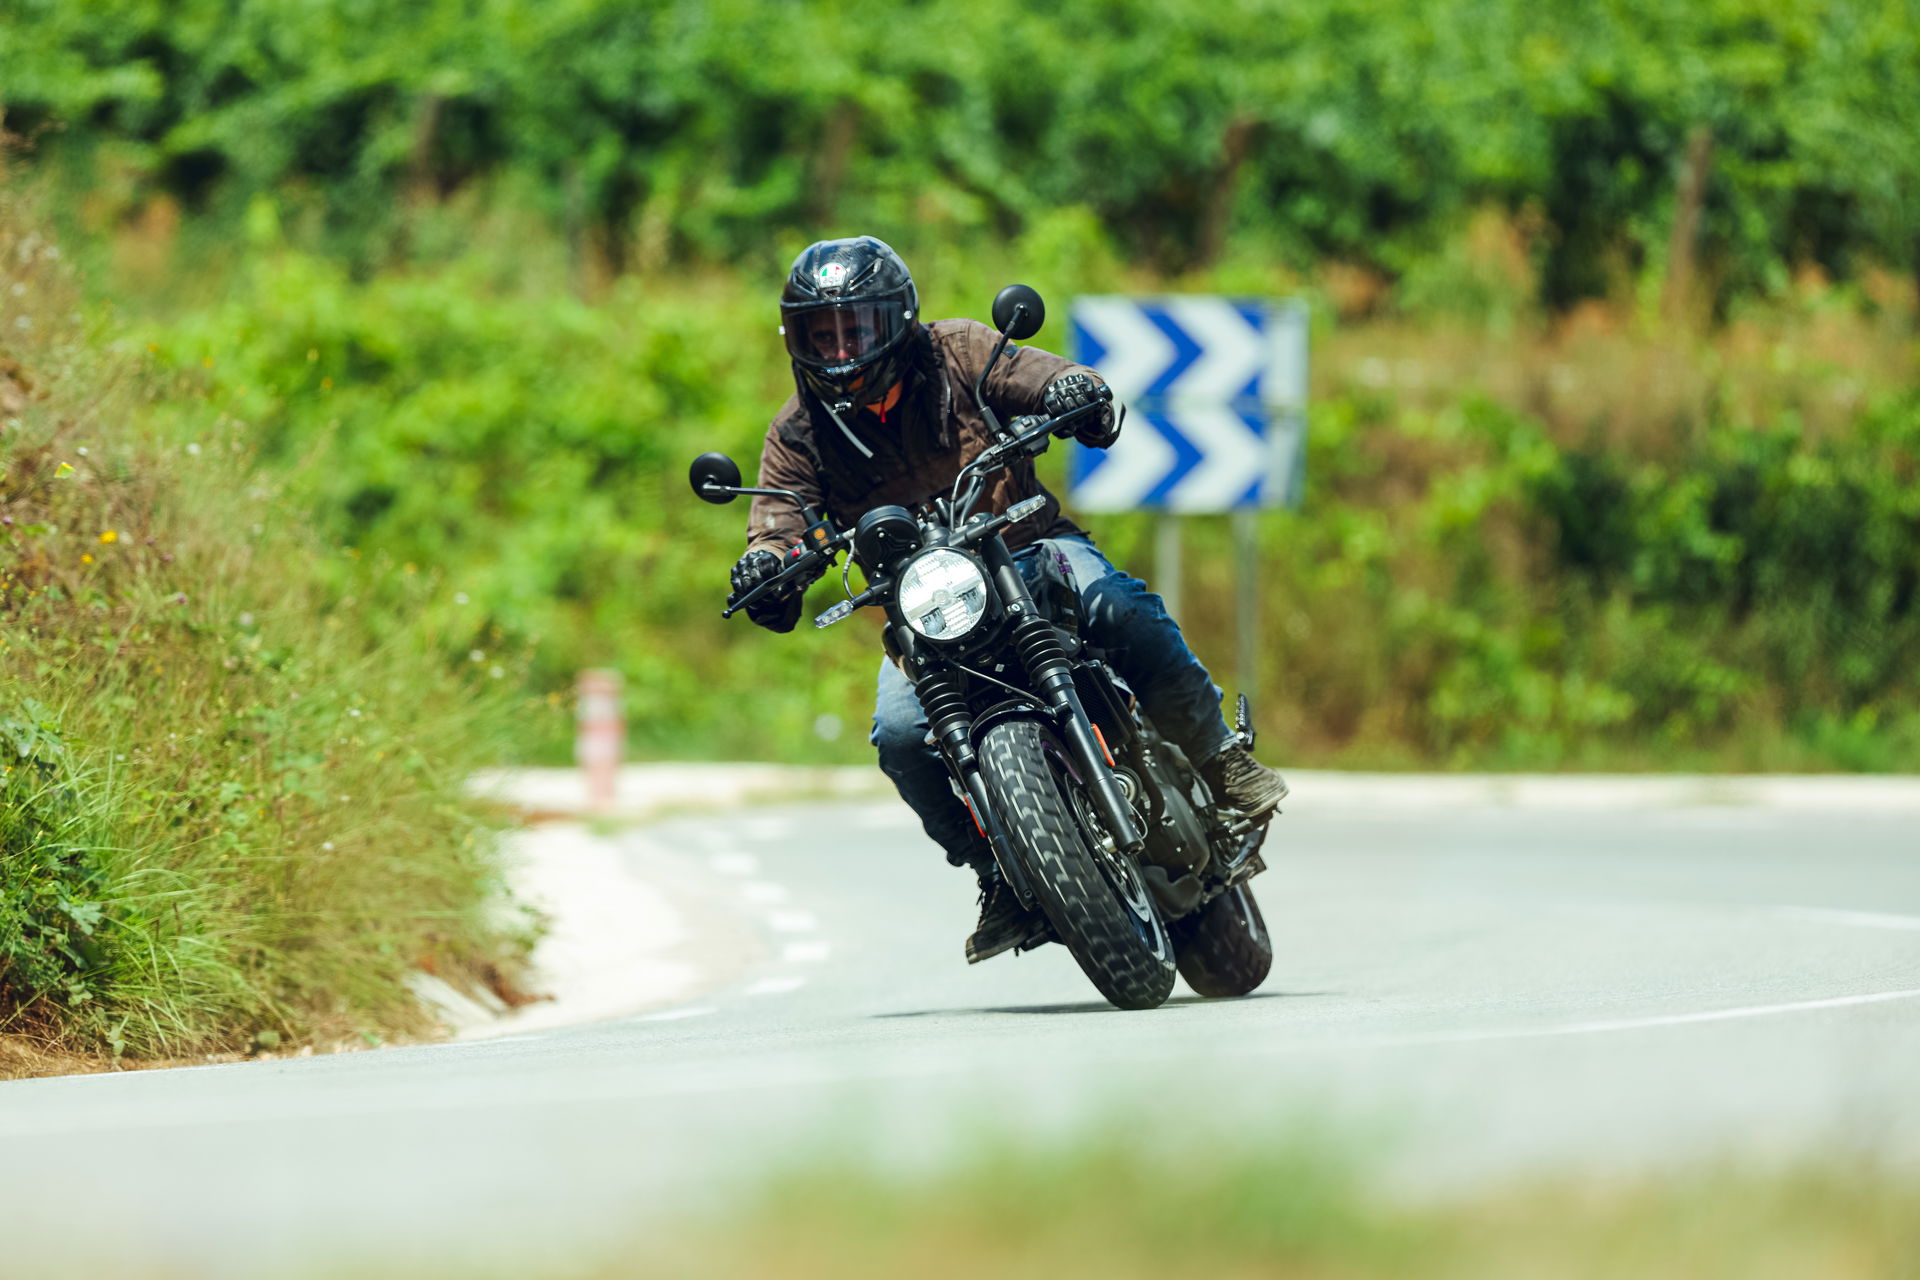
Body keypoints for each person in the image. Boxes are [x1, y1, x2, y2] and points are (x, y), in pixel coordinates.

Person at [732, 235, 1288, 962]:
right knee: (899, 738)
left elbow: (1044, 374)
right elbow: (776, 524)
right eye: (823, 334)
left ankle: (1219, 760)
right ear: (796, 339)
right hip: (925, 614)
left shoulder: (959, 350)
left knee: (1119, 608)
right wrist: (766, 567)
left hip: (1028, 549)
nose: (841, 349)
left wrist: (1070, 392)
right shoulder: (797, 433)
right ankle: (997, 873)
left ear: (896, 320)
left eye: (856, 328)